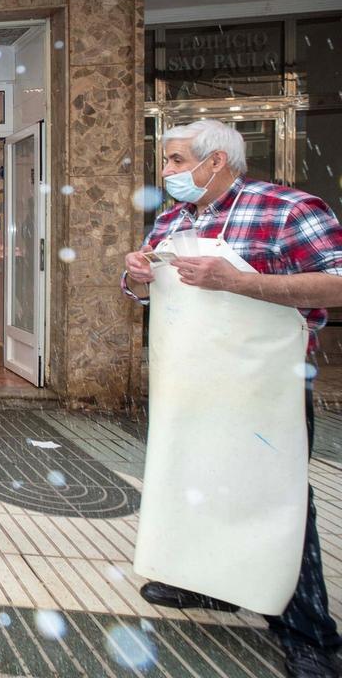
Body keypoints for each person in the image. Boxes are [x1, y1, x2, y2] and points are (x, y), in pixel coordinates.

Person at [123, 119, 342, 678]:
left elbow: (337, 282)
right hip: (192, 380)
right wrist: (138, 276)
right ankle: (216, 583)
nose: (167, 173)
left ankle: (308, 631)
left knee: (276, 492)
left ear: (214, 161)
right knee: (196, 478)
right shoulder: (174, 219)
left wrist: (240, 282)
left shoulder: (288, 209)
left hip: (265, 383)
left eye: (174, 161)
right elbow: (146, 290)